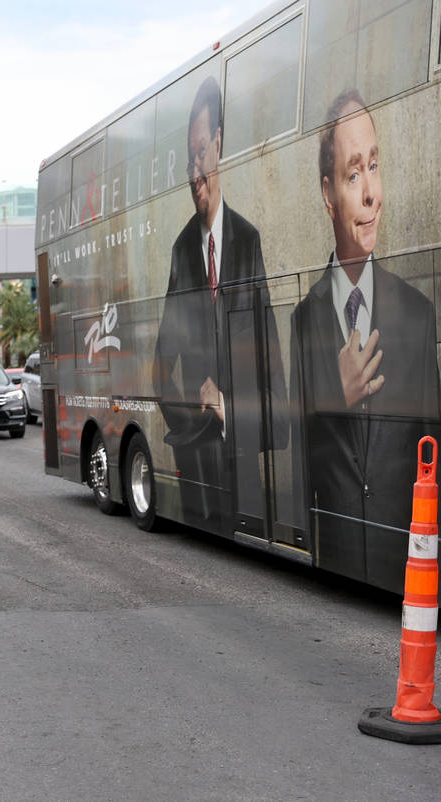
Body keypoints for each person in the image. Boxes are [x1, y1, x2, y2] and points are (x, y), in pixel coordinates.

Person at [290, 90, 440, 588]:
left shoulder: (418, 316)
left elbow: (431, 447)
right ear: (328, 193)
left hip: (405, 565)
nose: (371, 192)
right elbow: (298, 452)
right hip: (334, 565)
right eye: (354, 174)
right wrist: (333, 393)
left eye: (374, 166)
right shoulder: (304, 320)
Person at [152, 74, 288, 534]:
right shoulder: (180, 251)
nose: (194, 174)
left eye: (200, 155)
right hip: (195, 471)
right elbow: (159, 368)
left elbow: (275, 388)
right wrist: (187, 430)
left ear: (219, 143)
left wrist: (226, 407)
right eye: (188, 161)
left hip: (240, 463)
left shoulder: (249, 243)